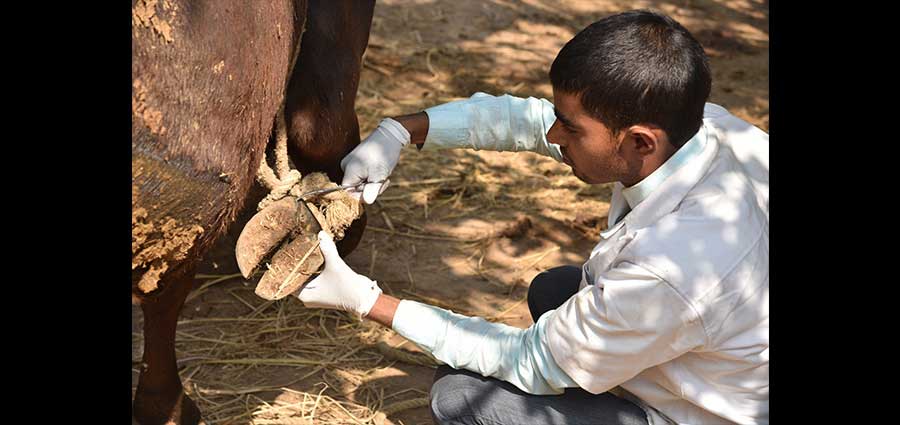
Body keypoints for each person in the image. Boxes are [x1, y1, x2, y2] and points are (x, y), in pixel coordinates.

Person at [294, 9, 769, 425]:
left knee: (461, 398)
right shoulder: (703, 128)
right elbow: (529, 123)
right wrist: (402, 131)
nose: (555, 134)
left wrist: (364, 300)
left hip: (708, 413)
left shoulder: (672, 268)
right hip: (719, 352)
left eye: (571, 127)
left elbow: (527, 359)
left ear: (640, 142)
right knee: (554, 290)